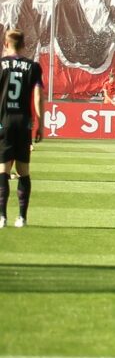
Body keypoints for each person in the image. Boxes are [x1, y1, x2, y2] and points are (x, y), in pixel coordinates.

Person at [0, 30, 44, 229]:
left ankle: (2, 218)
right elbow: (37, 97)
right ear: (24, 44)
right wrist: (40, 124)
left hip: (4, 122)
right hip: (24, 122)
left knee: (3, 170)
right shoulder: (33, 66)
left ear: (6, 44)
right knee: (23, 171)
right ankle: (22, 218)